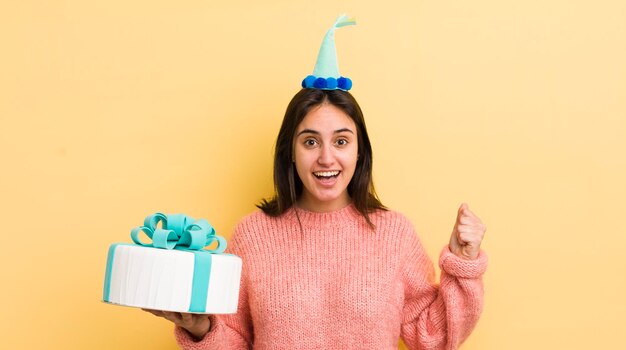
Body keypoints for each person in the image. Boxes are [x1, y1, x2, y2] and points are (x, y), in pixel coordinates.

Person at [145, 16, 487, 350]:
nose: (326, 158)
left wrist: (464, 264)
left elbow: (433, 337)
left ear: (359, 151)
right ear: (290, 151)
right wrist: (200, 328)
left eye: (341, 141)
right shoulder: (253, 235)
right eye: (310, 141)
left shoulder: (394, 234)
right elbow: (234, 339)